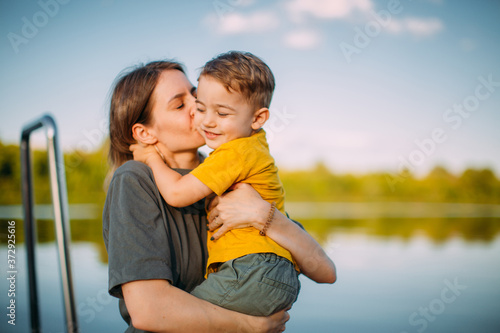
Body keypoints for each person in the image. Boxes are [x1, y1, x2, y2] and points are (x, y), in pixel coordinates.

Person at [103, 60, 336, 333]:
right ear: (145, 133)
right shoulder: (135, 180)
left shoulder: (228, 170)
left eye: (194, 93)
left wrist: (264, 216)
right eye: (180, 105)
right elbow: (149, 312)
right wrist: (249, 326)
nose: (198, 107)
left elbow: (325, 272)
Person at [130, 51, 300, 316]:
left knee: (180, 318)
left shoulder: (234, 153)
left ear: (257, 118)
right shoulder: (253, 147)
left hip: (252, 268)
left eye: (221, 112)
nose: (206, 120)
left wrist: (152, 159)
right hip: (272, 270)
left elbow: (176, 193)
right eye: (201, 107)